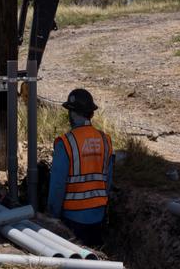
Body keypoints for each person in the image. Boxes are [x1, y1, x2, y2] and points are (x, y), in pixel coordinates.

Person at [46, 88, 113, 246]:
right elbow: (108, 181)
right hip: (98, 215)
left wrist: (52, 216)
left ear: (72, 113)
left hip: (73, 218)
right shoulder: (105, 140)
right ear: (91, 113)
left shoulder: (66, 143)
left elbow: (57, 185)